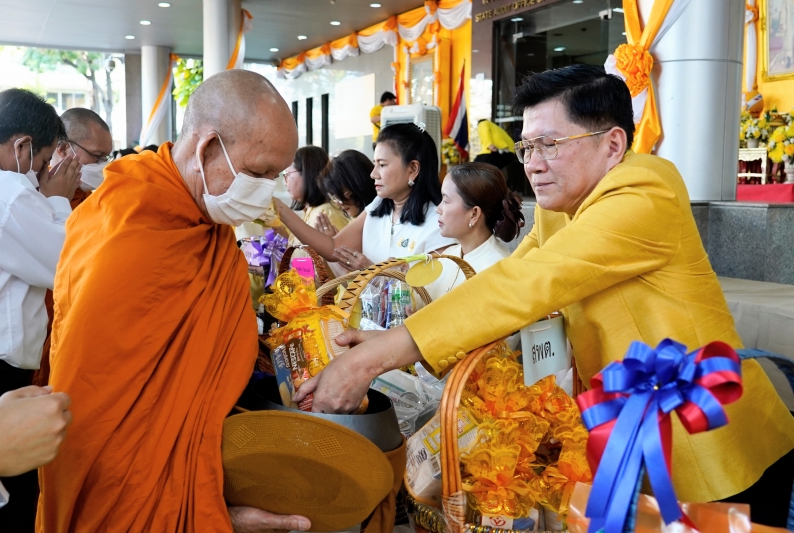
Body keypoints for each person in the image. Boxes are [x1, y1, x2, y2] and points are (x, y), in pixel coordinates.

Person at [294, 65, 794, 527]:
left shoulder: (646, 190)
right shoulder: (563, 207)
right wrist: (392, 339)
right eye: (527, 147)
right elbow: (504, 278)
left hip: (711, 440)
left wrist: (375, 358)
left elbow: (527, 284)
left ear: (613, 144)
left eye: (550, 145)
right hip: (628, 430)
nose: (533, 165)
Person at [37, 70, 311, 533]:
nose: (269, 191)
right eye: (259, 173)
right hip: (118, 488)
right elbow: (94, 405)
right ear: (207, 149)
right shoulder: (124, 230)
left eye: (277, 175)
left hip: (192, 470)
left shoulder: (209, 228)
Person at [0, 88, 80, 532]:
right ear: (22, 146)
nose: (45, 174)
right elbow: (64, 263)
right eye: (45, 161)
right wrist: (58, 199)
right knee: (14, 501)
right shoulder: (7, 189)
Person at [273, 123, 455, 272]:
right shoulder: (378, 205)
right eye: (375, 164)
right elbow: (334, 248)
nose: (373, 174)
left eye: (382, 165)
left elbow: (429, 295)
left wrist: (371, 272)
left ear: (413, 169)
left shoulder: (438, 223)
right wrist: (281, 210)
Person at [34, 109, 115, 389]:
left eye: (107, 158)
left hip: (81, 325)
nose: (103, 166)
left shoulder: (101, 201)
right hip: (38, 329)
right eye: (97, 156)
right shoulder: (29, 196)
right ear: (63, 148)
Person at [426, 163, 523, 300]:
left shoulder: (499, 270)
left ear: (474, 214)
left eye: (446, 201)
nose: (438, 209)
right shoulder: (446, 257)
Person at [283, 145, 350, 247]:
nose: (285, 182)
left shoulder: (326, 214)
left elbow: (337, 253)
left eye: (288, 174)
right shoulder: (310, 211)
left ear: (307, 173)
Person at [314, 149, 377, 237]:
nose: (337, 203)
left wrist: (335, 243)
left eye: (339, 195)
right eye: (334, 197)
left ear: (358, 185)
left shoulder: (378, 220)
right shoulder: (357, 219)